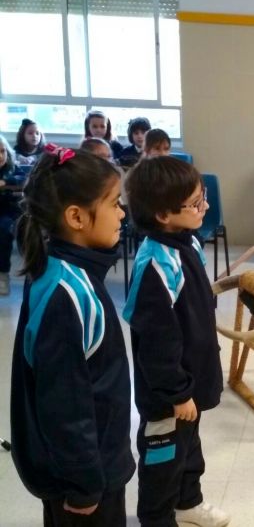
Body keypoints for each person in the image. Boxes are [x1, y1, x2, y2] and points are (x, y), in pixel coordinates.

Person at [10, 145, 134, 525]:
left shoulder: (65, 274)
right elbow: (65, 405)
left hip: (91, 461)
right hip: (82, 477)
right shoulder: (67, 293)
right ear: (77, 217)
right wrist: (84, 484)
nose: (122, 213)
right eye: (114, 203)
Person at [123, 156, 229, 527]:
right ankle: (156, 517)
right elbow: (156, 342)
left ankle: (188, 502)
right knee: (162, 460)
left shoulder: (187, 242)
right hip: (168, 394)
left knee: (189, 450)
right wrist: (178, 392)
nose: (206, 207)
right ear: (164, 214)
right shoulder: (155, 265)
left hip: (189, 384)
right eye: (197, 203)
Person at [0, 135, 27, 294]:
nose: (1, 156)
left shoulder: (10, 168)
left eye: (3, 151)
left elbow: (22, 177)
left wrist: (6, 181)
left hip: (9, 212)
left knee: (3, 231)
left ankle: (2, 274)